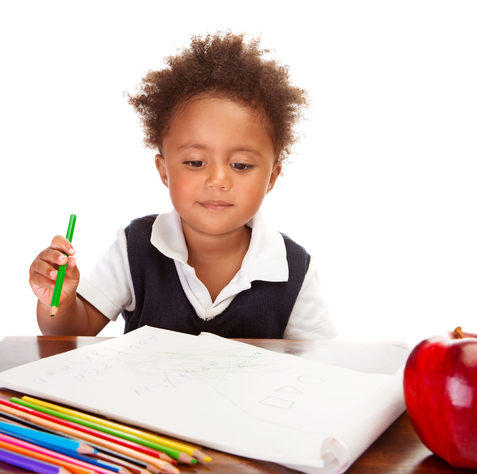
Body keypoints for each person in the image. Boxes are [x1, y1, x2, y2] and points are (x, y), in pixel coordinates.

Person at [29, 31, 338, 340]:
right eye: (195, 163)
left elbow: (321, 366)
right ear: (164, 171)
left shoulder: (294, 270)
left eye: (241, 165)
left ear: (271, 177)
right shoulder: (135, 248)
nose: (218, 180)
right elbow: (71, 331)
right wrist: (59, 300)